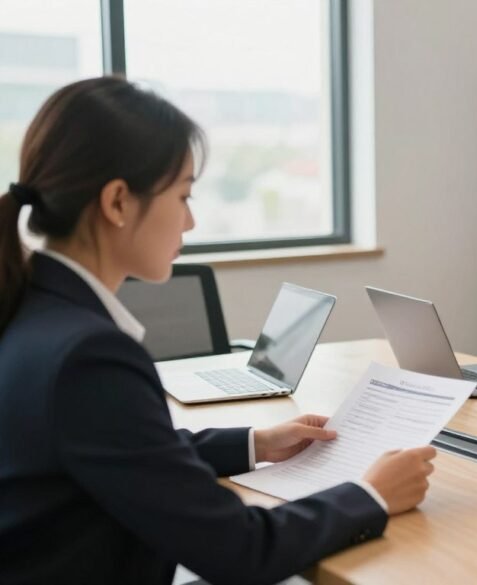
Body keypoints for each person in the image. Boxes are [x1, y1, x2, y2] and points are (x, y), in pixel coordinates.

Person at [0, 77, 437, 585]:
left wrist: (255, 443)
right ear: (118, 202)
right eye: (183, 195)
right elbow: (240, 551)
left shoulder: (34, 309)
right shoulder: (88, 355)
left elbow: (121, 452)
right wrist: (372, 495)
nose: (190, 220)